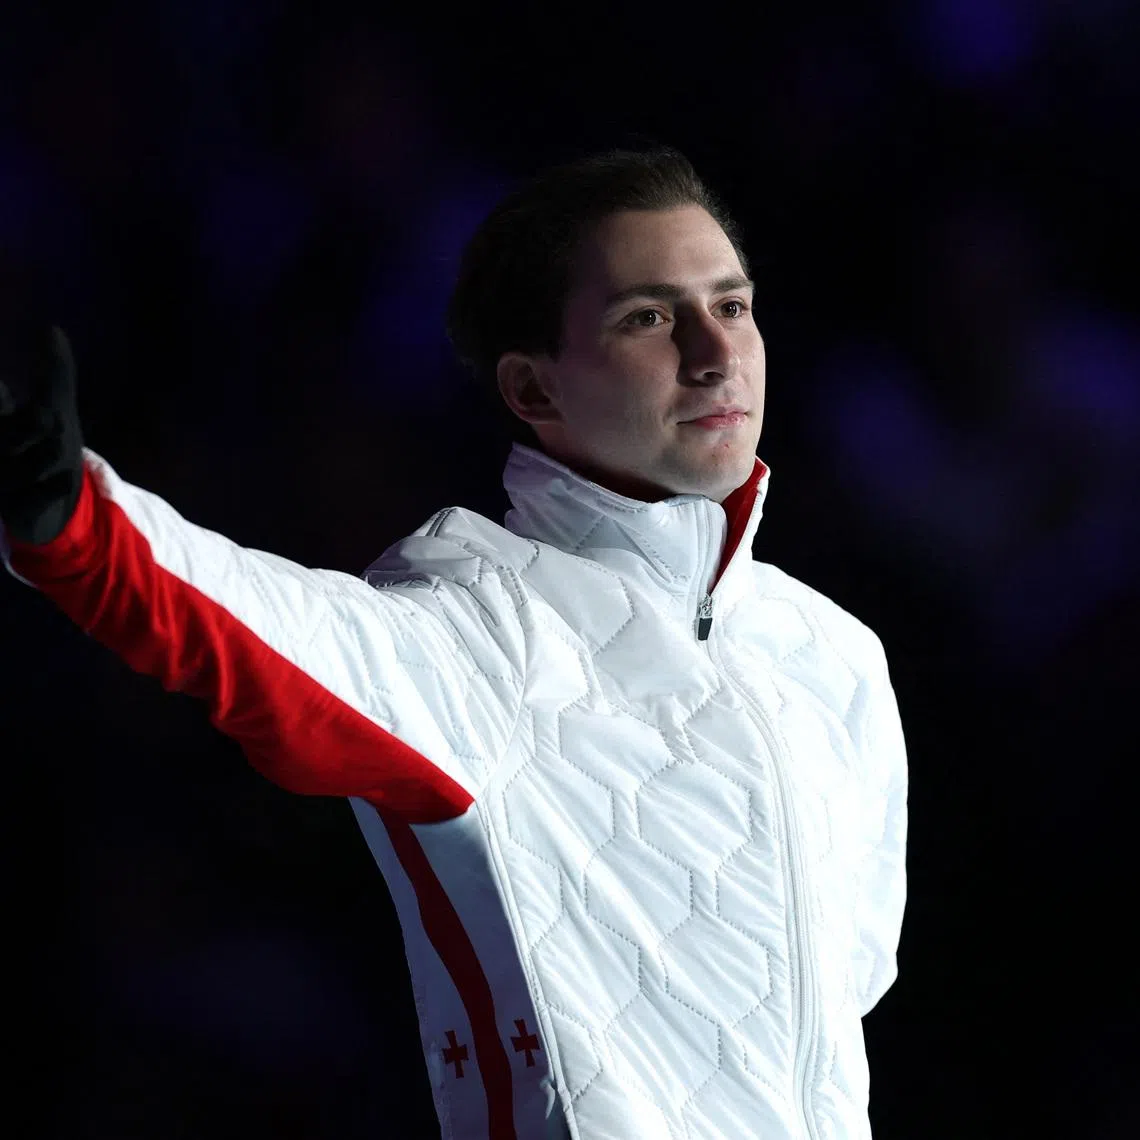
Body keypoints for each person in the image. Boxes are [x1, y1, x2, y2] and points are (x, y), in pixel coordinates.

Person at [0, 147, 907, 1140]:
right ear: (532, 389)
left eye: (731, 305)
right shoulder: (481, 624)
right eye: (648, 318)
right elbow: (269, 628)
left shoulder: (833, 653)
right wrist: (79, 529)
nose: (715, 351)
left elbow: (844, 996)